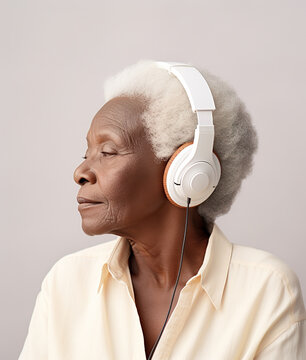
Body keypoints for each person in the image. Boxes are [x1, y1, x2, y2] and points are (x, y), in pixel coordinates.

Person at [19, 60, 306, 359]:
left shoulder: (267, 290)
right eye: (86, 153)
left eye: (107, 152)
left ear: (187, 171)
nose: (80, 172)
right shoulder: (66, 282)